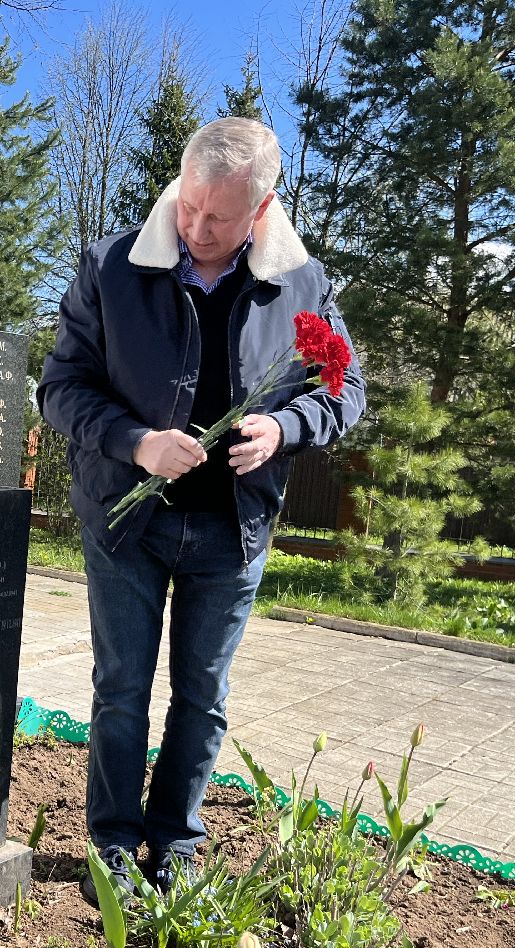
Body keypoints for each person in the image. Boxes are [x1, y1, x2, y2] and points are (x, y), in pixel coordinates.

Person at [36, 118, 366, 903]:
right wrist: (135, 441)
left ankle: (175, 841)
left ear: (263, 207)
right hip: (129, 519)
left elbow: (344, 391)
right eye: (188, 206)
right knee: (121, 688)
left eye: (218, 216)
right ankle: (113, 845)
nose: (196, 228)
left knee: (203, 695)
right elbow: (59, 389)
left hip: (233, 527)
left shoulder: (302, 285)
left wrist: (284, 427)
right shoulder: (113, 267)